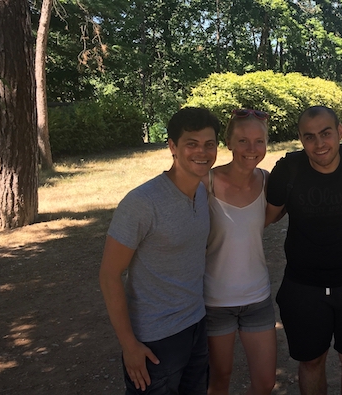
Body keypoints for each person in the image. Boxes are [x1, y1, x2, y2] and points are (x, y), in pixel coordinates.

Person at [99, 107, 220, 394]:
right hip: (155, 339)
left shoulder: (202, 192)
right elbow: (109, 274)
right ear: (172, 147)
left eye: (209, 144)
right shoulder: (142, 202)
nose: (201, 152)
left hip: (196, 324)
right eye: (191, 143)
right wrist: (129, 345)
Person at [265, 106, 342, 395]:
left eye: (326, 134)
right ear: (301, 139)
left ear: (340, 131)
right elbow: (263, 218)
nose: (319, 144)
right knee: (311, 362)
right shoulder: (288, 170)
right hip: (303, 287)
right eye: (310, 137)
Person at [204, 109, 276, 395]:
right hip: (214, 301)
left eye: (259, 141)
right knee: (219, 379)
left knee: (265, 382)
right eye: (243, 140)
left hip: (257, 298)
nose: (252, 149)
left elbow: (266, 221)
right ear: (229, 142)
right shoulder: (205, 182)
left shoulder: (269, 182)